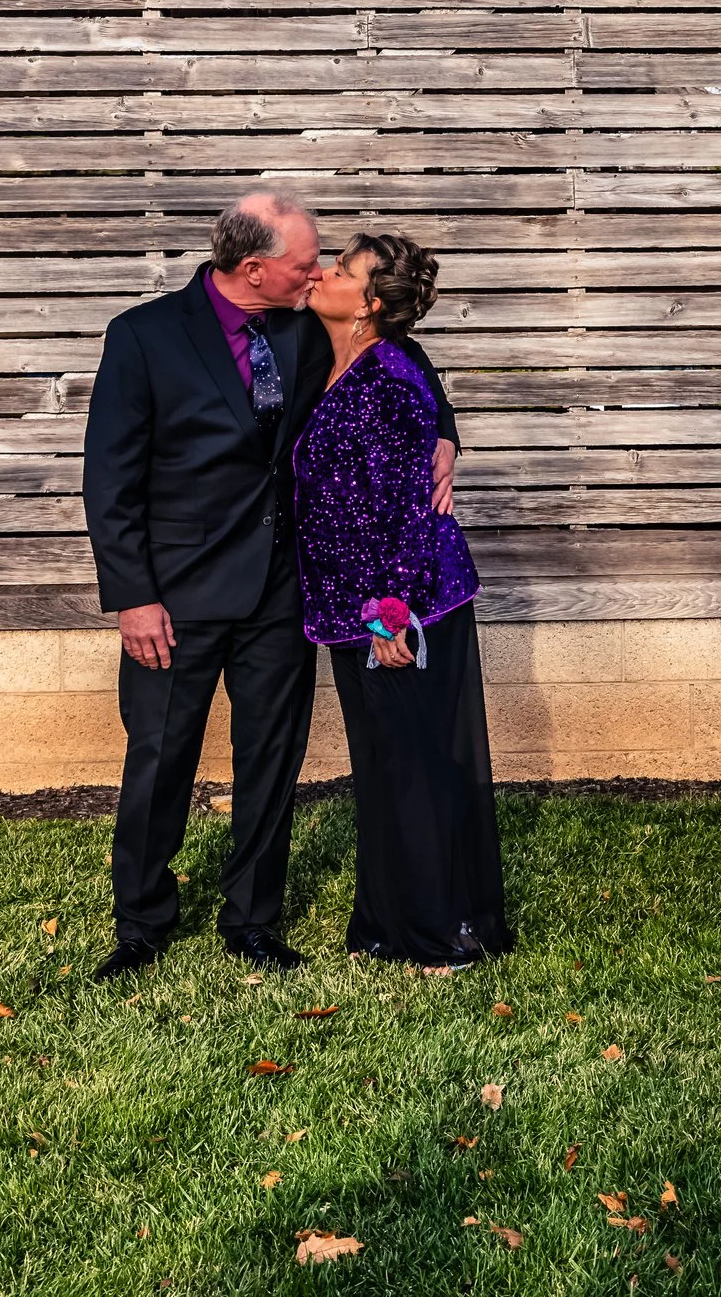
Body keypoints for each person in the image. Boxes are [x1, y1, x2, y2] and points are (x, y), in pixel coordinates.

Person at [80, 193, 459, 981]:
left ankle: (251, 919)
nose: (317, 272)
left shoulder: (300, 324)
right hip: (174, 601)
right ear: (252, 267)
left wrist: (445, 431)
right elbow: (108, 479)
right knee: (158, 760)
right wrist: (133, 597)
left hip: (281, 594)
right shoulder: (143, 337)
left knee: (270, 761)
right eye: (303, 261)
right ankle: (142, 923)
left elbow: (400, 350)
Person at [294, 234, 510, 968]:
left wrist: (390, 616)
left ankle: (438, 933)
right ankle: (385, 922)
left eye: (342, 271)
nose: (323, 273)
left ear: (371, 304)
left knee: (413, 765)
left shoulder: (386, 375)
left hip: (400, 608)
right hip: (353, 606)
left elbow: (396, 508)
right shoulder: (346, 358)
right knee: (383, 763)